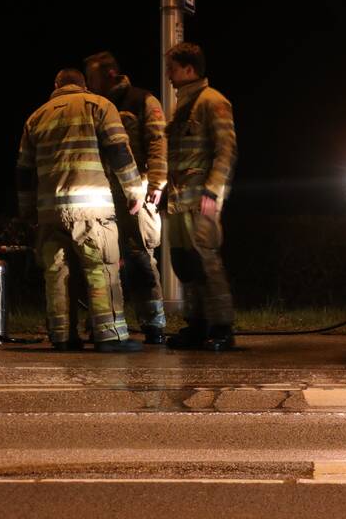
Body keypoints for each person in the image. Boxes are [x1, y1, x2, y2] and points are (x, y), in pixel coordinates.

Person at [16, 68, 144, 353]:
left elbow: (24, 172)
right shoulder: (99, 106)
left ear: (56, 85)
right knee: (101, 269)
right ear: (83, 85)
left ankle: (62, 336)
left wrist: (27, 212)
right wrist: (134, 191)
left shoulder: (36, 117)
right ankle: (109, 336)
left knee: (57, 275)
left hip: (49, 214)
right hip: (91, 209)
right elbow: (119, 150)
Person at [83, 51, 168, 344]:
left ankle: (154, 324)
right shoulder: (95, 106)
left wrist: (156, 183)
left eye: (92, 77)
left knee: (140, 256)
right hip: (103, 194)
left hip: (137, 190)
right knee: (104, 261)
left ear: (108, 74)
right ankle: (107, 325)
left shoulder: (143, 100)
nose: (89, 84)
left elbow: (157, 141)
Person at [163, 42, 238, 351]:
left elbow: (226, 150)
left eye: (172, 68)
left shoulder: (213, 101)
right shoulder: (183, 105)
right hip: (179, 201)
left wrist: (213, 189)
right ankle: (196, 325)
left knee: (207, 262)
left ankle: (222, 327)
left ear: (189, 69)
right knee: (186, 264)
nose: (168, 74)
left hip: (201, 200)